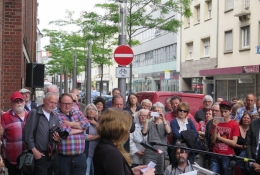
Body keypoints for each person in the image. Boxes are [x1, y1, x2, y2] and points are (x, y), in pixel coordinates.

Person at [93, 108, 155, 175]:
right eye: (127, 128)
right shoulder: (111, 152)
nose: (128, 132)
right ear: (118, 129)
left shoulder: (104, 145)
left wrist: (131, 171)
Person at [23, 92, 63, 175]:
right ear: (44, 101)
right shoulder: (35, 113)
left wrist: (59, 139)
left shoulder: (54, 116)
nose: (53, 105)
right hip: (39, 154)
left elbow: (59, 133)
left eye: (55, 103)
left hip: (52, 155)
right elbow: (27, 134)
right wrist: (34, 151)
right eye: (51, 102)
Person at [54, 93, 89, 175]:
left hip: (80, 157)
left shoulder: (78, 113)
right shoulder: (55, 114)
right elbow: (62, 131)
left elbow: (87, 124)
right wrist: (80, 129)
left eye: (69, 103)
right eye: (64, 103)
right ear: (59, 103)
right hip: (64, 158)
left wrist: (69, 124)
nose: (67, 106)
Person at [1, 91, 29, 175]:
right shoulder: (5, 116)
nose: (19, 103)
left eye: (21, 101)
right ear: (11, 103)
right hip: (12, 157)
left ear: (24, 102)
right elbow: (1, 134)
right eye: (16, 101)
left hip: (28, 157)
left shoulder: (30, 115)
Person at [210, 100, 239, 175]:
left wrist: (220, 138)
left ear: (230, 111)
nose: (223, 114)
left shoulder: (234, 124)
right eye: (221, 111)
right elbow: (213, 141)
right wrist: (215, 127)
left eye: (225, 111)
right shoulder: (216, 121)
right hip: (215, 153)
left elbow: (234, 142)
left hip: (227, 155)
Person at [142, 102, 171, 175]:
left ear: (162, 111)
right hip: (149, 151)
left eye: (159, 111)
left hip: (161, 151)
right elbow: (144, 132)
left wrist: (163, 119)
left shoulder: (166, 122)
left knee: (160, 172)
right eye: (155, 111)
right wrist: (147, 119)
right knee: (147, 171)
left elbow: (168, 132)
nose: (157, 113)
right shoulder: (149, 122)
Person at [84, 104, 99, 175]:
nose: (91, 111)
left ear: (96, 112)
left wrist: (96, 124)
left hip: (97, 153)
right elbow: (85, 137)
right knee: (86, 172)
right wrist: (98, 136)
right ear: (86, 111)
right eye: (89, 109)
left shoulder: (99, 123)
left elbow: (105, 133)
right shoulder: (83, 122)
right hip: (87, 152)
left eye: (93, 109)